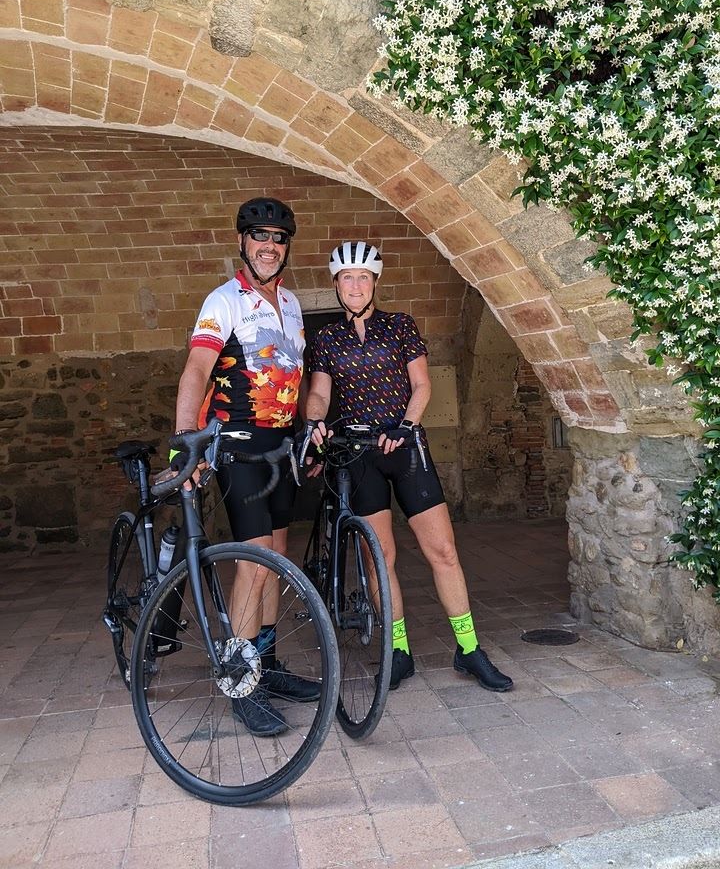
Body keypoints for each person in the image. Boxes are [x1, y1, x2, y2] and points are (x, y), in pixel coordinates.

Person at [303, 241, 513, 693]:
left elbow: (421, 384)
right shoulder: (325, 339)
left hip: (405, 448)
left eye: (363, 277)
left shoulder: (399, 325)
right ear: (336, 285)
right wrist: (314, 419)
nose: (355, 285)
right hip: (359, 456)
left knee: (444, 551)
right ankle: (398, 651)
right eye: (346, 278)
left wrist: (405, 424)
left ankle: (469, 649)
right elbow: (319, 391)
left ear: (374, 283)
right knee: (381, 560)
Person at [172, 196, 319, 736]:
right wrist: (186, 442)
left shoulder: (295, 305)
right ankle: (239, 680)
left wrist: (309, 432)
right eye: (259, 236)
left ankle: (267, 663)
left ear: (286, 248)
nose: (269, 246)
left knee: (277, 557)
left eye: (279, 239)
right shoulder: (224, 300)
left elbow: (293, 378)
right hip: (237, 446)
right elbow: (195, 371)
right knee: (254, 562)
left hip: (279, 446)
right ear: (242, 242)